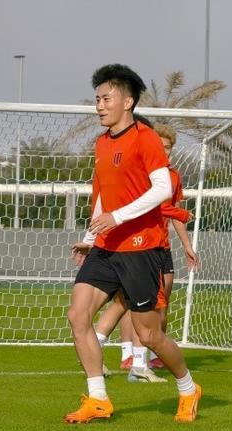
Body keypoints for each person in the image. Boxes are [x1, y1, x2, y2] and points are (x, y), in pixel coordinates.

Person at [64, 64, 201, 424]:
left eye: (106, 98)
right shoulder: (101, 143)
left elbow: (163, 189)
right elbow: (102, 197)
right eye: (97, 99)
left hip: (142, 249)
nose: (99, 105)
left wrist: (118, 217)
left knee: (150, 334)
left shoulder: (145, 138)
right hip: (107, 247)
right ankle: (98, 399)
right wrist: (91, 238)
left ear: (127, 101)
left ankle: (188, 387)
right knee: (78, 315)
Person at [94, 120, 199, 382]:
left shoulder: (172, 177)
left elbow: (169, 211)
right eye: (159, 146)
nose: (164, 151)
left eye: (168, 147)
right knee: (138, 304)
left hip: (160, 246)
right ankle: (134, 360)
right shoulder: (141, 171)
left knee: (138, 304)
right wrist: (181, 213)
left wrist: (187, 245)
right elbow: (155, 206)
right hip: (140, 246)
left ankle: (131, 356)